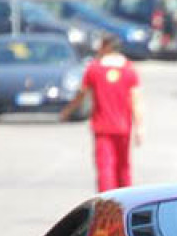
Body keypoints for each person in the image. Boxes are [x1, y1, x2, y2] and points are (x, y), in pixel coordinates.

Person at [61, 35, 143, 192]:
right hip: (123, 127)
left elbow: (81, 94)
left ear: (106, 47)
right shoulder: (129, 69)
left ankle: (107, 204)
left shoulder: (94, 69)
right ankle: (127, 202)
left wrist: (68, 111)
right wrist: (140, 127)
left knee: (105, 167)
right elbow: (136, 101)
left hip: (102, 127)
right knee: (123, 167)